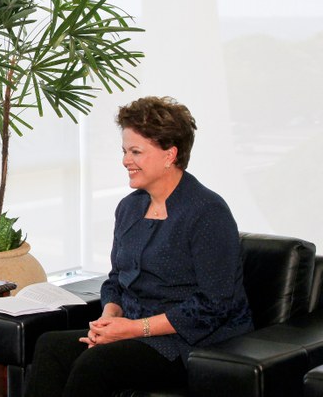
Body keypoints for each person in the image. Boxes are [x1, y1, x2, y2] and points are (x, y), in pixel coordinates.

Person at [24, 96, 254, 396]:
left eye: (135, 151)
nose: (125, 161)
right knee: (50, 346)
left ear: (169, 155)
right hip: (133, 329)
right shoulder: (129, 209)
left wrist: (133, 329)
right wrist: (109, 318)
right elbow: (117, 278)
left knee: (96, 364)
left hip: (191, 340)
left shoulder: (207, 212)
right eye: (124, 151)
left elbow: (214, 306)